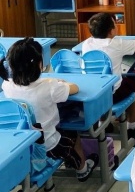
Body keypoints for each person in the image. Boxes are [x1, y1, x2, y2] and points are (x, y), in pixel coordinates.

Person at [0, 38, 98, 181]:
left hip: (25, 145)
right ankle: (82, 168)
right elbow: (74, 88)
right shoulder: (50, 87)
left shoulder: (7, 85)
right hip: (50, 145)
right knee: (71, 133)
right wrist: (59, 82)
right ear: (39, 64)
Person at [81, 12, 135, 139]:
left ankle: (103, 124)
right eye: (115, 25)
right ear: (111, 31)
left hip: (91, 92)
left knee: (103, 85)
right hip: (112, 94)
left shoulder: (86, 44)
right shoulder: (116, 44)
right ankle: (131, 127)